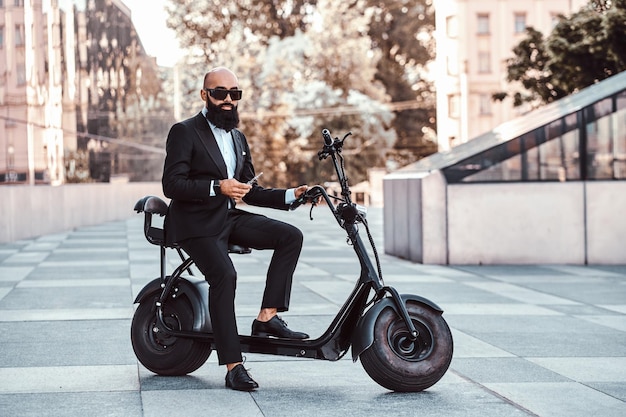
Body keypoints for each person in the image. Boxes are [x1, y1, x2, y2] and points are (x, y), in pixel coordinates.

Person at [162, 67, 310, 391]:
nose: (228, 100)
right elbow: (171, 184)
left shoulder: (237, 138)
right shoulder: (184, 131)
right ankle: (234, 366)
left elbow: (249, 190)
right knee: (224, 276)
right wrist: (218, 187)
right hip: (194, 224)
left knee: (290, 236)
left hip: (225, 218)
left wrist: (291, 195)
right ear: (205, 95)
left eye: (235, 94)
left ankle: (267, 318)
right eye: (220, 93)